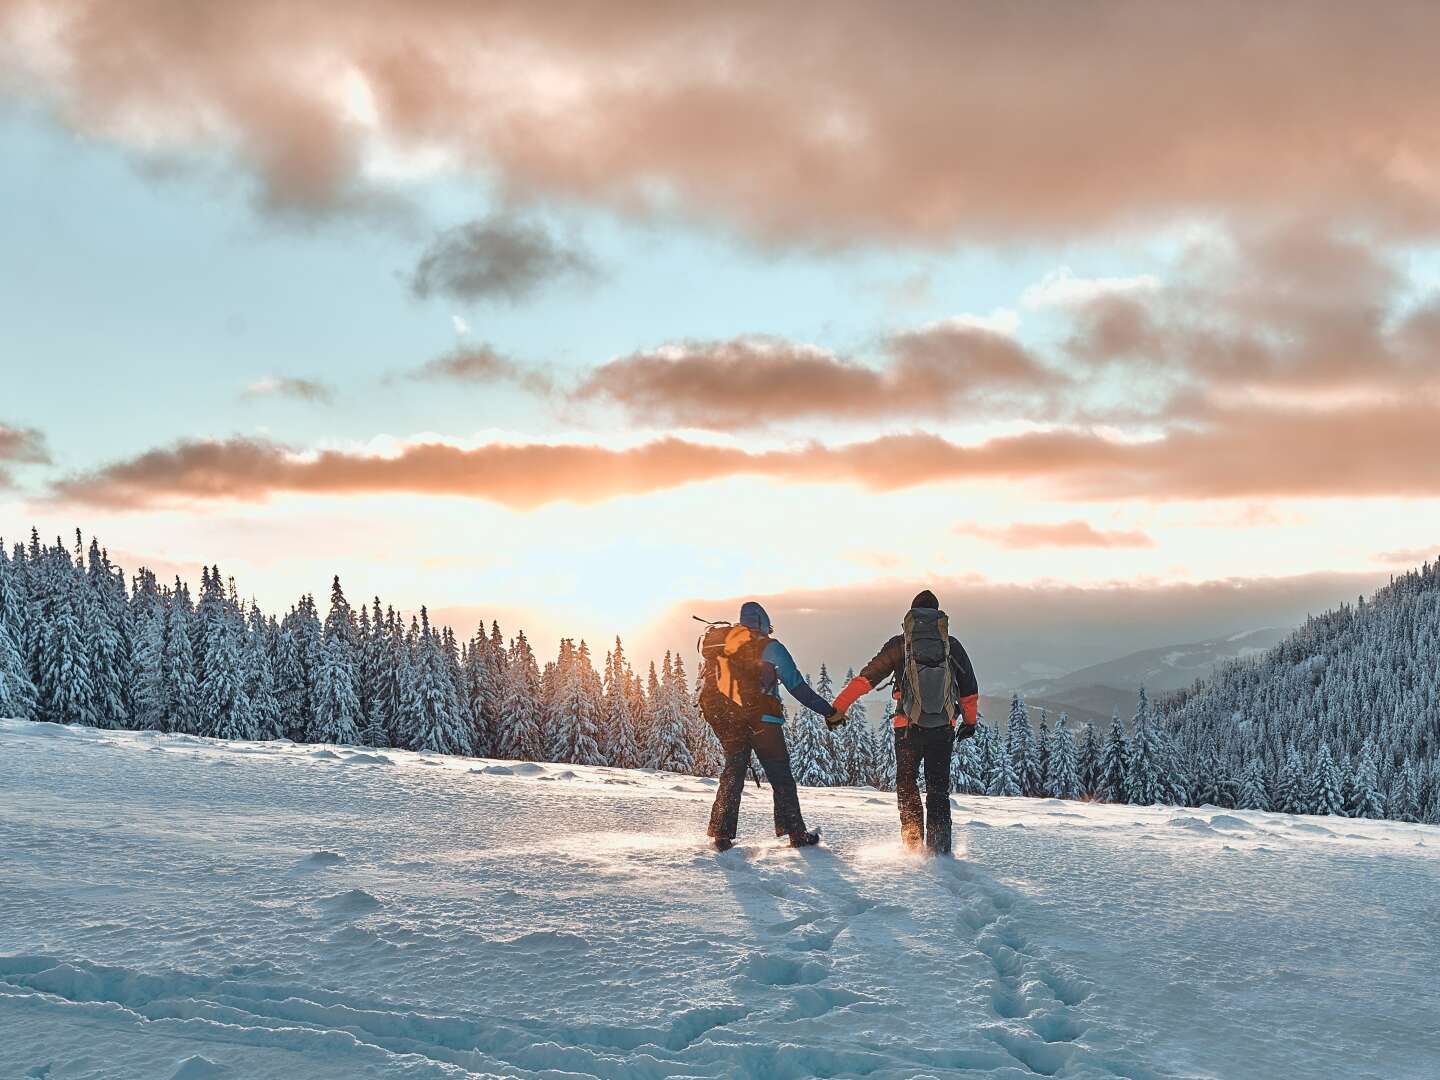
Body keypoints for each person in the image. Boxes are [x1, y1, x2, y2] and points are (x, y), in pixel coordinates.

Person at [830, 590, 978, 855]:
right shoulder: (951, 645)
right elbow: (969, 689)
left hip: (907, 728)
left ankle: (912, 846)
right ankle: (940, 850)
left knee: (907, 784)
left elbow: (867, 678)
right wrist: (969, 722)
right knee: (938, 789)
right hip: (943, 727)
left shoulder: (900, 644)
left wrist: (839, 708)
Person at [700, 601, 842, 851]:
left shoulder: (726, 647)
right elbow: (796, 686)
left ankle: (721, 835)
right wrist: (828, 711)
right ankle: (796, 834)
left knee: (732, 776)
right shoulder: (771, 647)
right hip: (765, 723)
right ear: (764, 623)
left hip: (733, 723)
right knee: (781, 778)